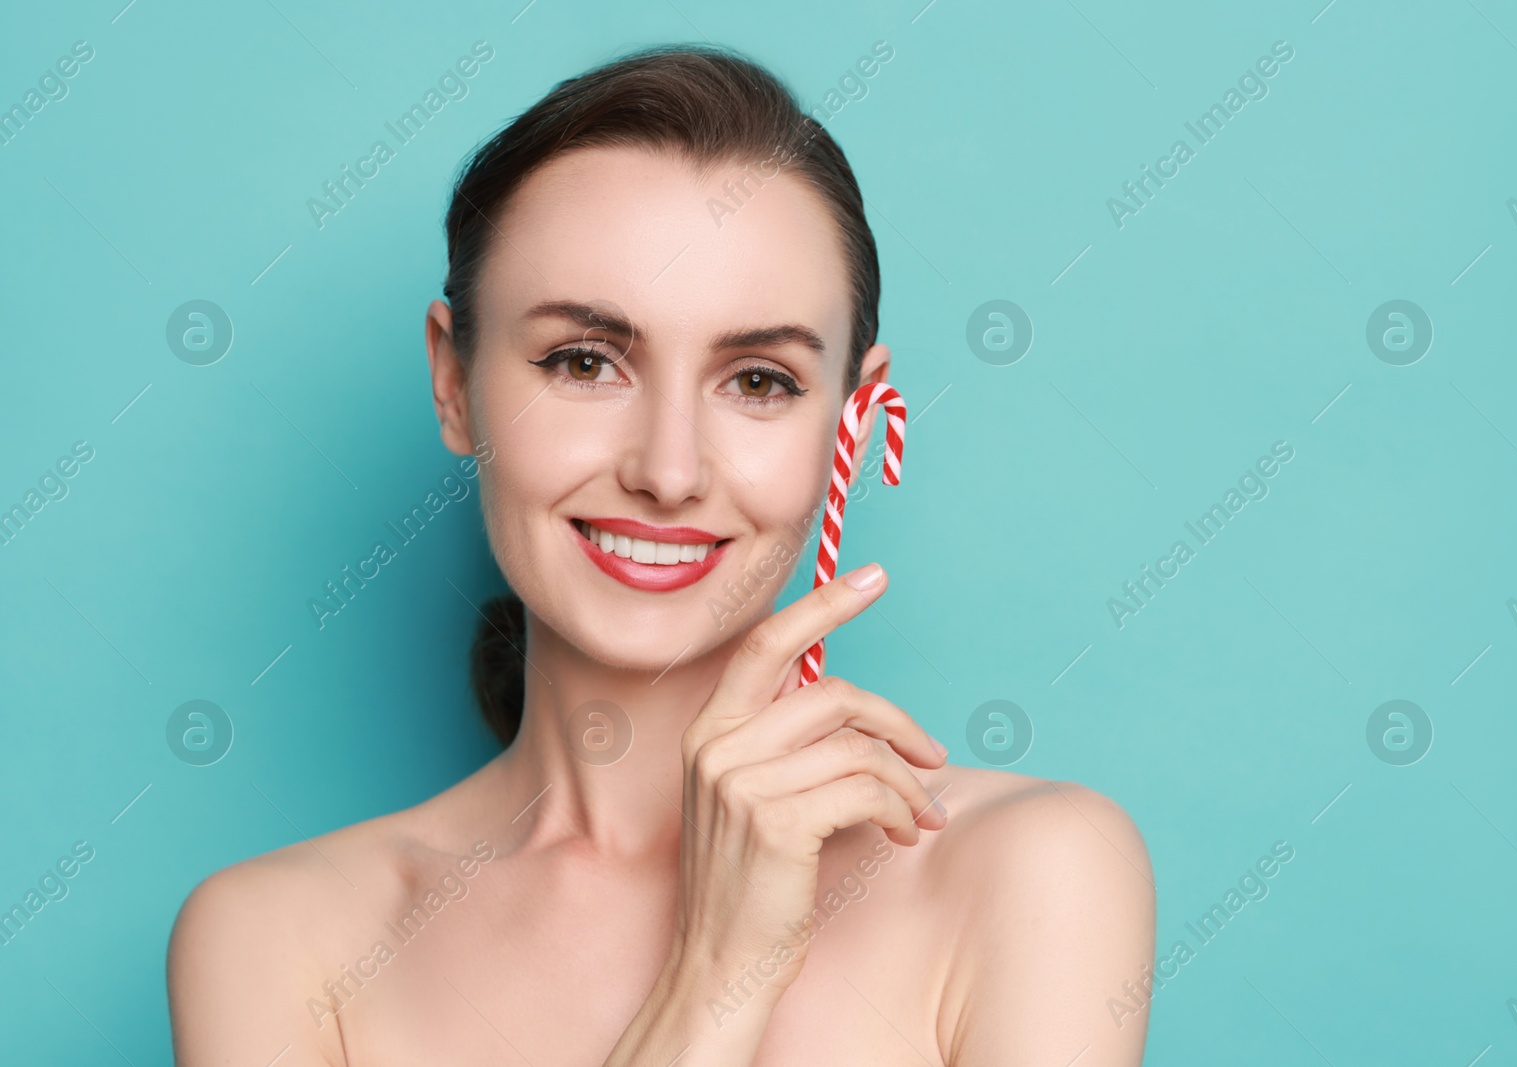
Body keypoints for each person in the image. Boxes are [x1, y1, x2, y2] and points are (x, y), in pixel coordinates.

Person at [167, 43, 1154, 1066]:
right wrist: (716, 978)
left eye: (760, 380)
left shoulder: (1028, 872)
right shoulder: (277, 943)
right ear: (453, 382)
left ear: (851, 423)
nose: (669, 470)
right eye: (584, 362)